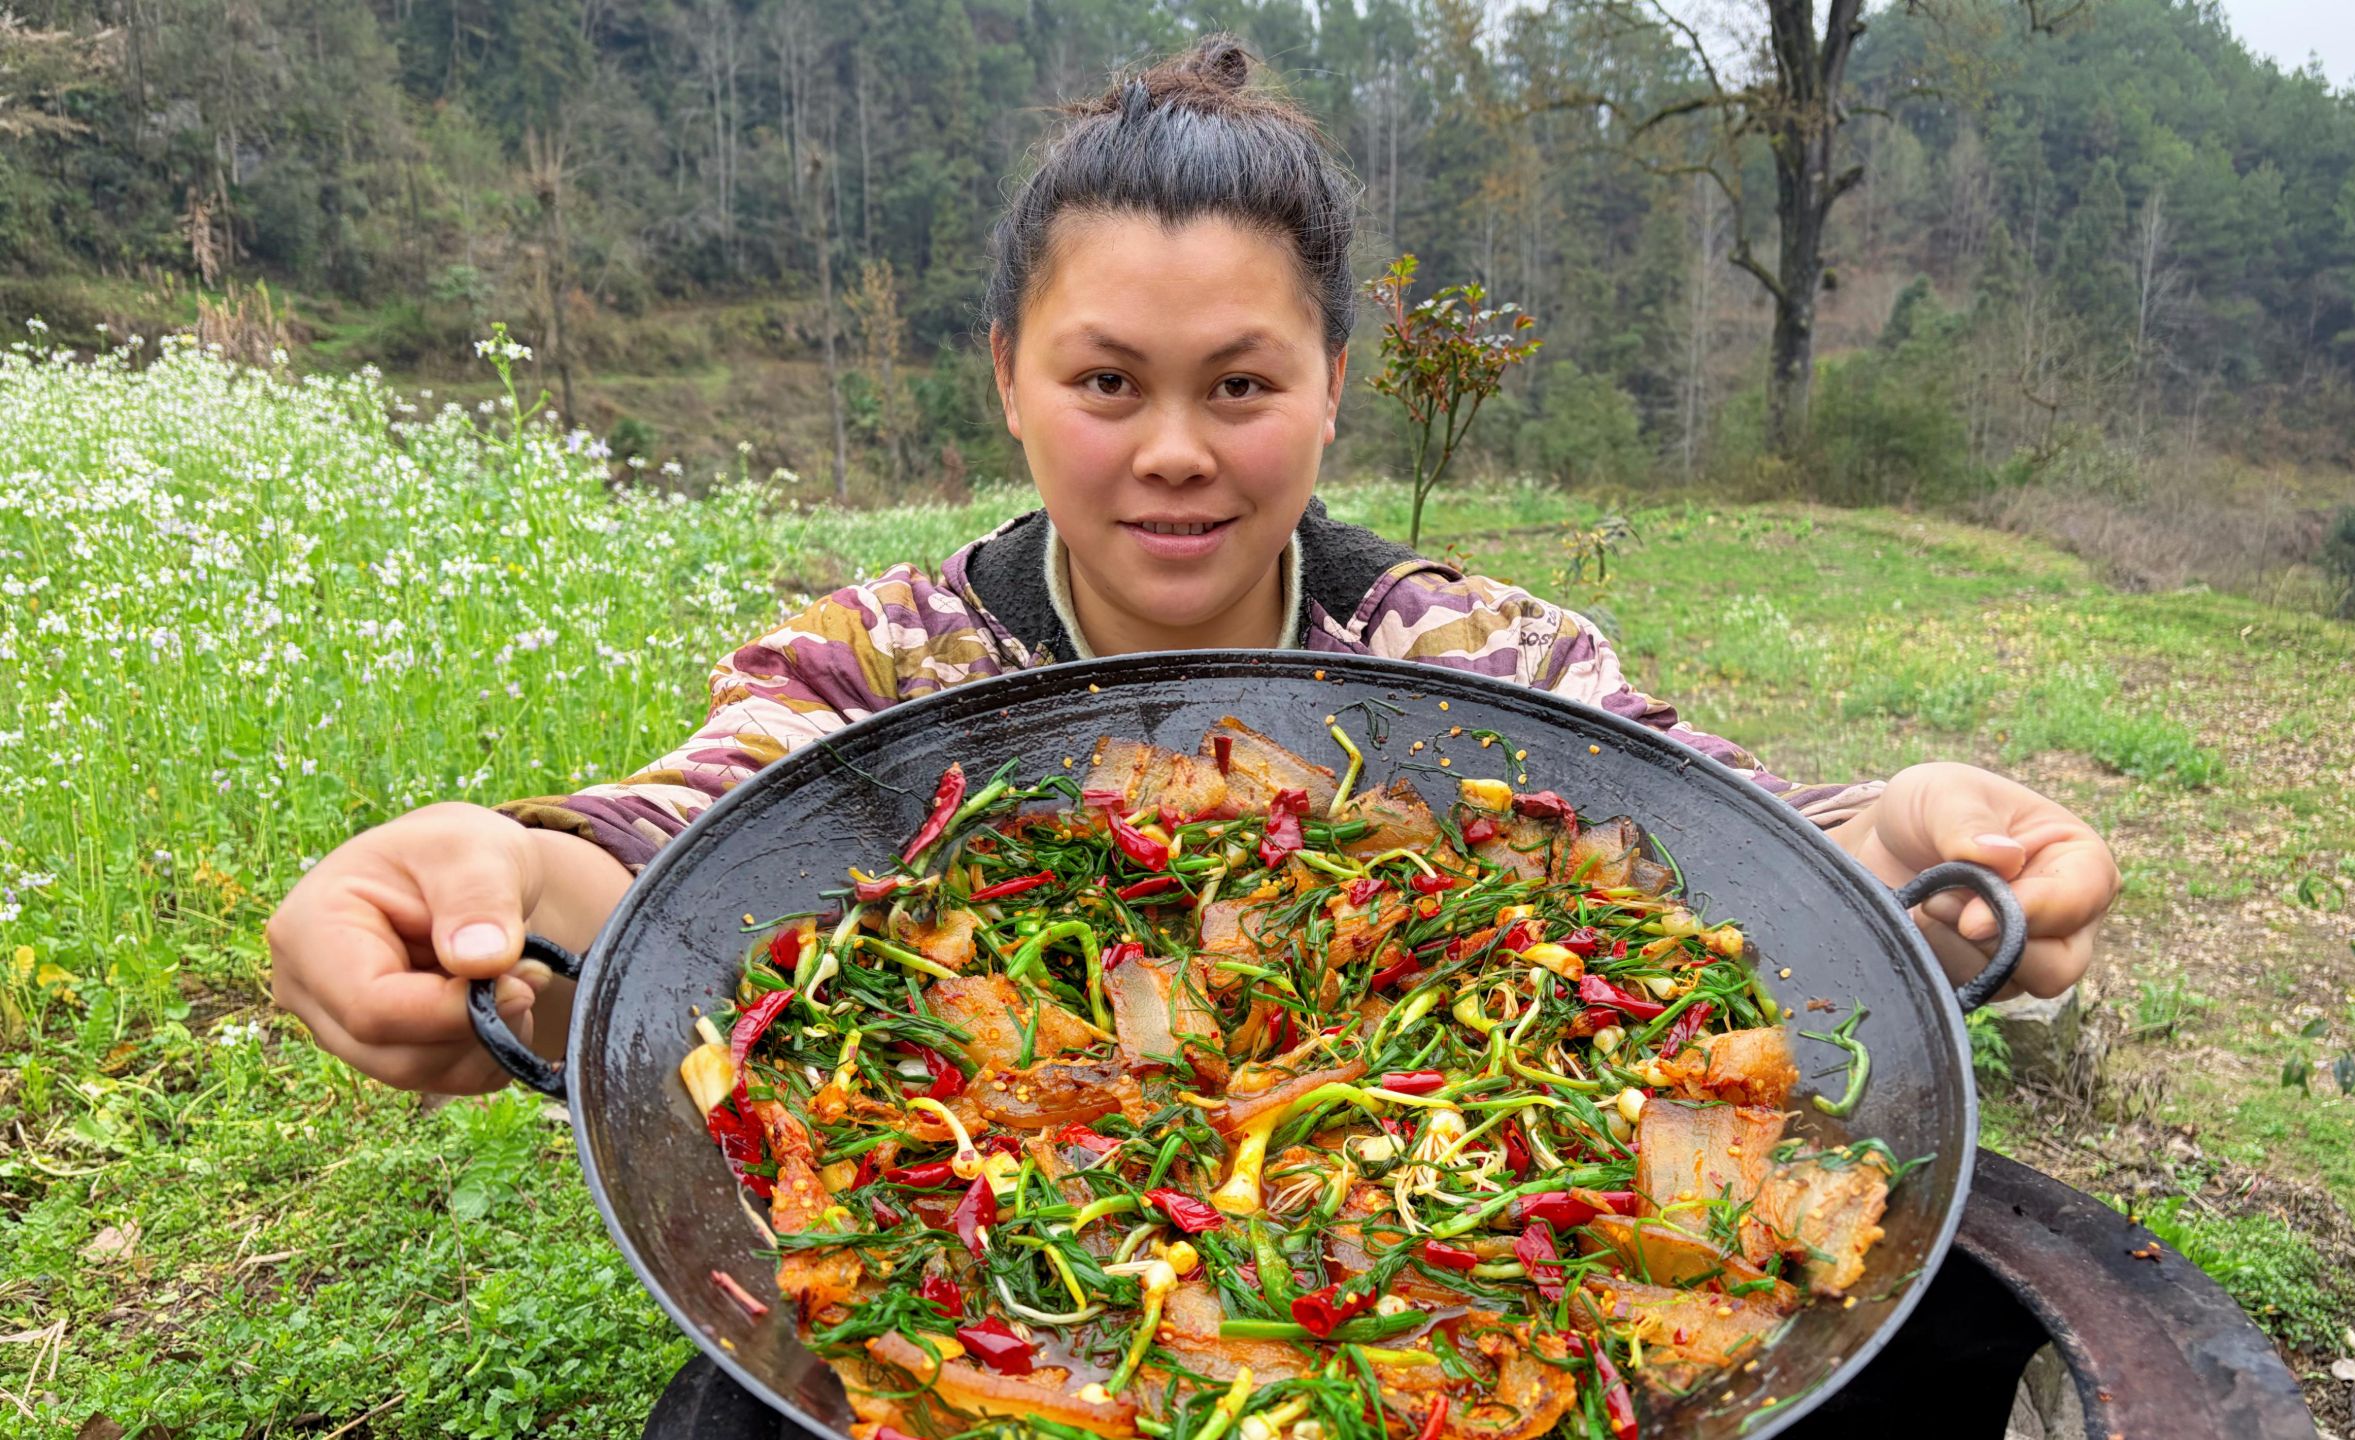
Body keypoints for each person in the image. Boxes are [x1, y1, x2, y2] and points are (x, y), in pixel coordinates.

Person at [268, 36, 2118, 1096]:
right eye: (1105, 382)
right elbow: (679, 845)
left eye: (1240, 383)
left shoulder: (1473, 657)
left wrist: (1906, 855)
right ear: (1008, 380)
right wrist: (491, 875)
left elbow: (1723, 844)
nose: (1172, 447)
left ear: (1331, 394)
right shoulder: (877, 663)